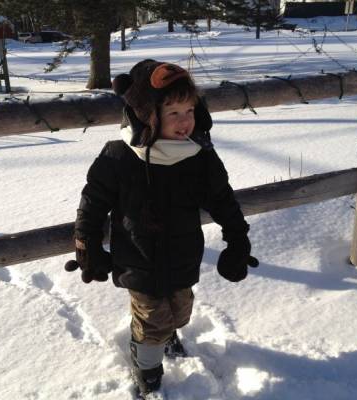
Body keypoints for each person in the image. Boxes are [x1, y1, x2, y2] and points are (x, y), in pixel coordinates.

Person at [65, 59, 258, 399]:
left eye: (190, 111)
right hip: (138, 259)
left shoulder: (199, 156)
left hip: (184, 258)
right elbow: (92, 202)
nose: (185, 121)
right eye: (173, 113)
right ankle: (148, 370)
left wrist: (238, 240)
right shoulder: (119, 156)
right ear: (146, 115)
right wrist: (87, 246)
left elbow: (222, 200)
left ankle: (165, 334)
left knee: (180, 313)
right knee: (153, 320)